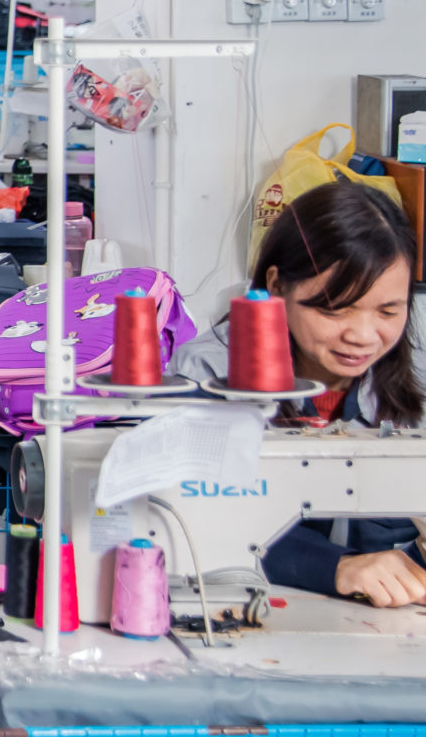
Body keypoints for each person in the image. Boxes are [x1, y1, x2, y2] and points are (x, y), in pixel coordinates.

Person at [172, 181, 426, 605]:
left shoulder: (415, 378)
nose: (363, 336)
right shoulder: (204, 376)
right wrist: (336, 567)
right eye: (335, 308)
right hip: (245, 611)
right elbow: (190, 519)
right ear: (277, 286)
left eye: (388, 311)